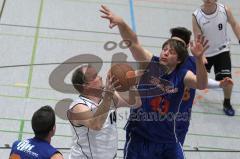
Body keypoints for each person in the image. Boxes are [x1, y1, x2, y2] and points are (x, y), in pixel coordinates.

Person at [101, 5, 209, 159]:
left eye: (171, 52)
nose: (165, 52)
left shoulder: (183, 75)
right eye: (165, 49)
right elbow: (133, 42)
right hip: (140, 136)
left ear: (178, 60)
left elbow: (202, 84)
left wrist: (198, 58)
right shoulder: (150, 63)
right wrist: (121, 23)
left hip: (167, 139)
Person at [170, 27, 233, 145]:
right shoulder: (163, 60)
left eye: (178, 44)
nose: (174, 46)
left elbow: (201, 81)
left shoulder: (194, 62)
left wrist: (219, 84)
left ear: (187, 45)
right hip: (161, 117)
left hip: (181, 119)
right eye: (172, 42)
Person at [67, 64, 141, 159]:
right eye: (95, 77)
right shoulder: (78, 107)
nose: (100, 77)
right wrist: (108, 96)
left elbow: (136, 103)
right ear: (86, 86)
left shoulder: (108, 97)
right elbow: (96, 125)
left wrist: (131, 84)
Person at [192, 0, 240, 116]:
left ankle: (227, 103)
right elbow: (197, 36)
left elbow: (234, 24)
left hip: (222, 50)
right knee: (194, 79)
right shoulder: (197, 15)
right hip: (205, 53)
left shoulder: (224, 10)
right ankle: (185, 98)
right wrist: (201, 56)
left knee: (227, 80)